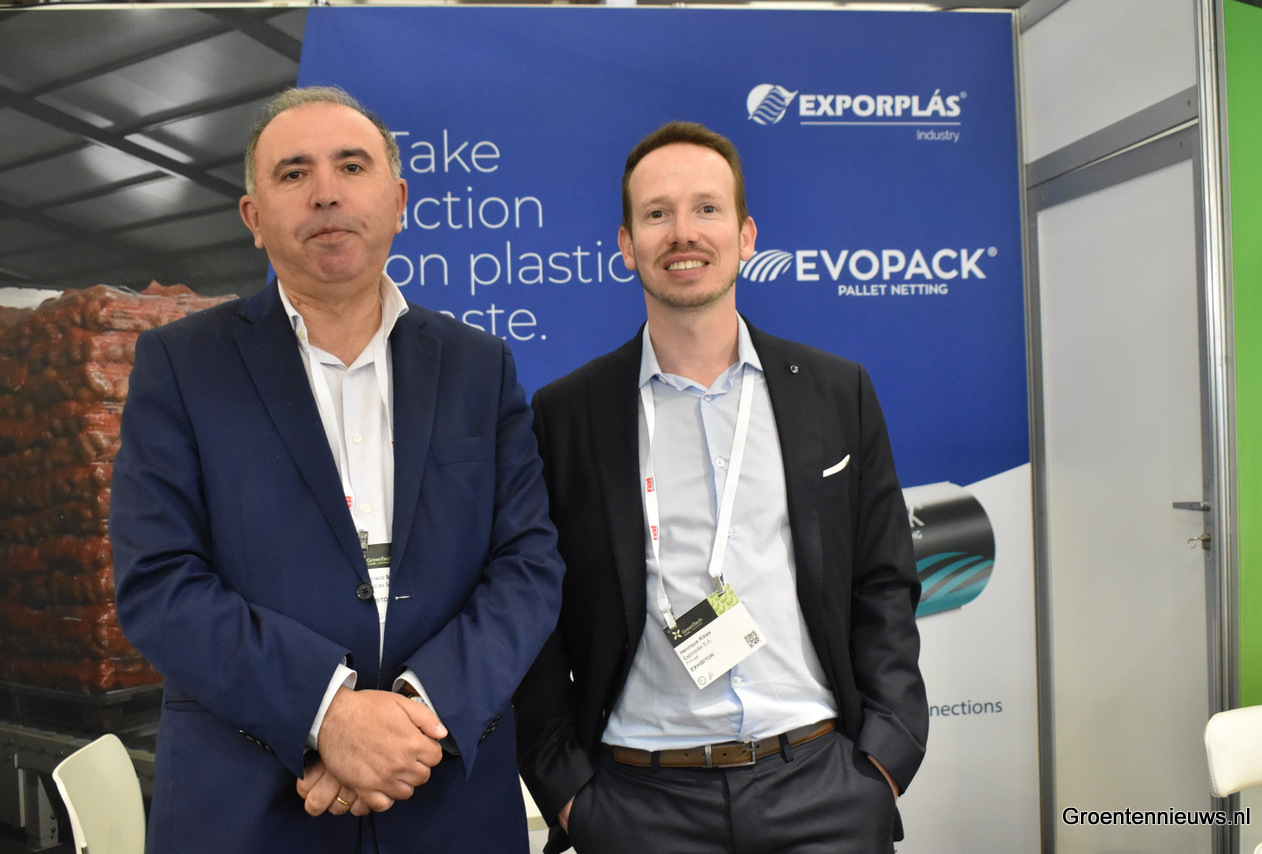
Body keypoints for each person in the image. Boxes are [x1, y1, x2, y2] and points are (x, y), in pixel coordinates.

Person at [110, 86, 564, 853]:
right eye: (293, 173)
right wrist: (328, 714)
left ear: (399, 201)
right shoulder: (182, 365)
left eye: (351, 166)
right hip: (250, 808)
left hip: (445, 796)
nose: (325, 192)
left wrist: (416, 715)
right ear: (254, 217)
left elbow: (528, 563)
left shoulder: (478, 367)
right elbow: (158, 581)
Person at [514, 121, 927, 854]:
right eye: (657, 213)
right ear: (626, 244)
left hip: (823, 790)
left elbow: (884, 579)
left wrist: (884, 761)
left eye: (707, 208)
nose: (683, 233)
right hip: (639, 806)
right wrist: (570, 793)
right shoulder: (566, 414)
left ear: (745, 236)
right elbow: (534, 602)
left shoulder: (836, 393)